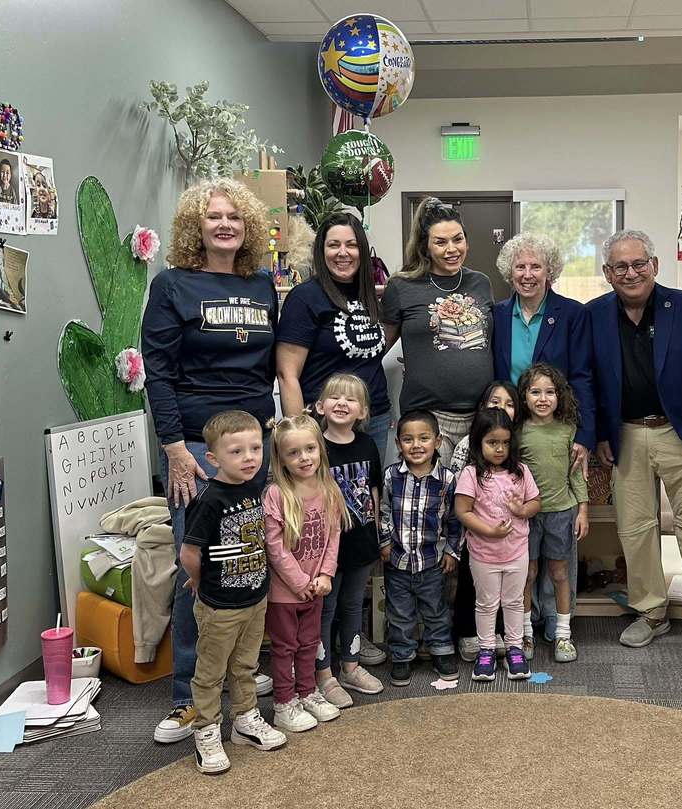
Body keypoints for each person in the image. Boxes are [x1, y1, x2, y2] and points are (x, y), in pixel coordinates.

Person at [142, 178, 278, 743]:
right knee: (196, 566)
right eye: (214, 217)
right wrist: (174, 447)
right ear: (196, 226)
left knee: (249, 557)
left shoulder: (263, 284)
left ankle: (240, 682)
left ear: (247, 228)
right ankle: (186, 699)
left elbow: (268, 367)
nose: (225, 225)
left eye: (235, 218)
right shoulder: (172, 284)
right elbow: (159, 371)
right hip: (196, 445)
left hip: (253, 441)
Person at [588, 229, 682, 664]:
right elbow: (591, 380)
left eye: (639, 263)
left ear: (654, 265)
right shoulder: (594, 315)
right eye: (621, 266)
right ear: (607, 273)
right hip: (626, 435)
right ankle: (651, 612)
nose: (631, 272)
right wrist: (600, 434)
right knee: (635, 531)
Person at [491, 232, 595, 644]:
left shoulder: (571, 314)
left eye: (536, 267)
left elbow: (584, 375)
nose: (528, 274)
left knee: (556, 529)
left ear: (551, 271)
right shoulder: (497, 315)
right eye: (520, 267)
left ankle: (556, 619)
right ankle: (523, 622)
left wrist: (584, 434)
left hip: (560, 432)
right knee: (519, 532)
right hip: (514, 437)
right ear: (509, 273)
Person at [178, 411, 285, 775]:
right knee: (210, 672)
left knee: (246, 666)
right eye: (237, 451)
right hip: (220, 605)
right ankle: (207, 730)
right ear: (214, 459)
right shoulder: (208, 500)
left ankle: (244, 719)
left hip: (255, 599)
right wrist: (199, 581)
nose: (249, 457)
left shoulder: (255, 489)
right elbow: (188, 553)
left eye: (255, 448)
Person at [381, 197, 494, 464]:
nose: (452, 249)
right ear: (425, 246)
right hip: (426, 419)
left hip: (479, 417)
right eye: (440, 242)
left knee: (476, 503)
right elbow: (379, 346)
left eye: (458, 239)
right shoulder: (401, 286)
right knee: (430, 502)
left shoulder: (481, 283)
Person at [276, 212, 391, 458]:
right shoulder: (305, 298)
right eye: (333, 245)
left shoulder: (368, 294)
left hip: (374, 417)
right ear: (321, 250)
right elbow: (288, 374)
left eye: (351, 245)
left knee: (367, 494)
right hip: (325, 421)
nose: (343, 253)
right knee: (321, 495)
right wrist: (300, 434)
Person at [263, 414, 346, 732]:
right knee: (285, 648)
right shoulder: (276, 494)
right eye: (293, 452)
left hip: (317, 588)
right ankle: (284, 704)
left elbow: (333, 536)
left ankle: (308, 692)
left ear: (320, 448)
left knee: (311, 643)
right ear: (281, 458)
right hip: (285, 592)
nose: (304, 458)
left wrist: (325, 575)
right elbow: (276, 549)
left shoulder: (328, 488)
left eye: (310, 448)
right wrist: (299, 583)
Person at [314, 374, 387, 705]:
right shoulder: (315, 448)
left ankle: (350, 667)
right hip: (325, 548)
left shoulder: (368, 444)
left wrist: (375, 536)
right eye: (335, 397)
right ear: (320, 406)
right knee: (326, 609)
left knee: (353, 605)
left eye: (351, 399)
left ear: (363, 411)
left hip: (360, 542)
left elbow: (373, 493)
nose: (342, 403)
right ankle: (323, 675)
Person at [455, 408, 541, 682]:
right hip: (483, 554)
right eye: (493, 443)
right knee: (486, 604)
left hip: (517, 552)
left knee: (514, 602)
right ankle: (486, 651)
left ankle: (514, 649)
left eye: (505, 442)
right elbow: (462, 511)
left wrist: (523, 511)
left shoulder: (521, 471)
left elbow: (536, 502)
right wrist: (490, 531)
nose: (500, 449)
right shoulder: (471, 474)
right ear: (479, 442)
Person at [379, 410, 462, 687]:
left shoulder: (448, 480)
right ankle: (402, 655)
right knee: (400, 612)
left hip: (432, 561)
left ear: (437, 441)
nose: (416, 445)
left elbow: (454, 519)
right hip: (398, 561)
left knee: (436, 609)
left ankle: (441, 651)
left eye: (424, 438)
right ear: (398, 444)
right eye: (408, 439)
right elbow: (383, 512)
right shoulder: (391, 476)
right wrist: (385, 542)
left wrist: (452, 551)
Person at [516, 363, 589, 663]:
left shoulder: (568, 430)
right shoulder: (517, 433)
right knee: (528, 574)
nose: (543, 399)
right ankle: (524, 634)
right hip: (527, 517)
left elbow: (575, 476)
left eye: (550, 392)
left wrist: (583, 510)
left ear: (560, 396)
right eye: (535, 392)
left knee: (560, 573)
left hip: (562, 513)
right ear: (524, 396)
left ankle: (562, 634)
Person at [448, 380, 518, 661]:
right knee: (472, 583)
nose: (502, 408)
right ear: (482, 408)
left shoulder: (514, 443)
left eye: (510, 403)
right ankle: (468, 632)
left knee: (505, 586)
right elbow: (456, 489)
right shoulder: (468, 444)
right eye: (495, 402)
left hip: (510, 536)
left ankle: (498, 632)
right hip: (475, 533)